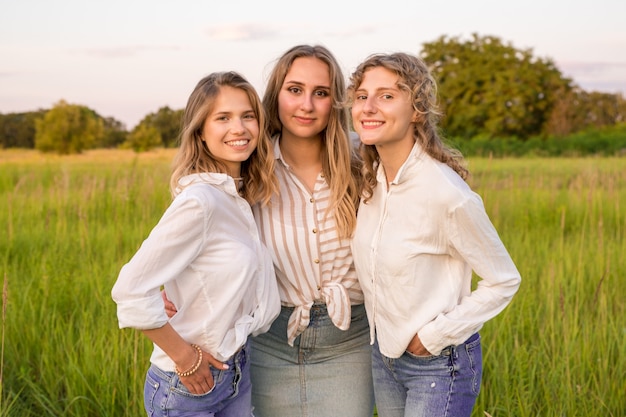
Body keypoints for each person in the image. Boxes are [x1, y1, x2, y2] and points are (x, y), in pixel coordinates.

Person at [347, 52, 522, 417]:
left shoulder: (446, 193)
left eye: (387, 96)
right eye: (362, 96)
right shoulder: (372, 180)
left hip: (439, 365)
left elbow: (503, 280)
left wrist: (432, 338)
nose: (369, 107)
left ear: (417, 110)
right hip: (385, 356)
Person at [111, 71, 281, 417]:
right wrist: (186, 359)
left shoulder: (239, 198)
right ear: (201, 132)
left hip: (236, 371)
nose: (240, 128)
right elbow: (129, 289)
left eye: (248, 115)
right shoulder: (201, 201)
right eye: (223, 118)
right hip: (188, 386)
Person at [249, 44, 374, 417]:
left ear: (335, 102)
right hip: (268, 340)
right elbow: (198, 213)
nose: (306, 105)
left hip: (349, 341)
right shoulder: (250, 166)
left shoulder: (364, 159)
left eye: (320, 93)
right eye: (295, 90)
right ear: (276, 95)